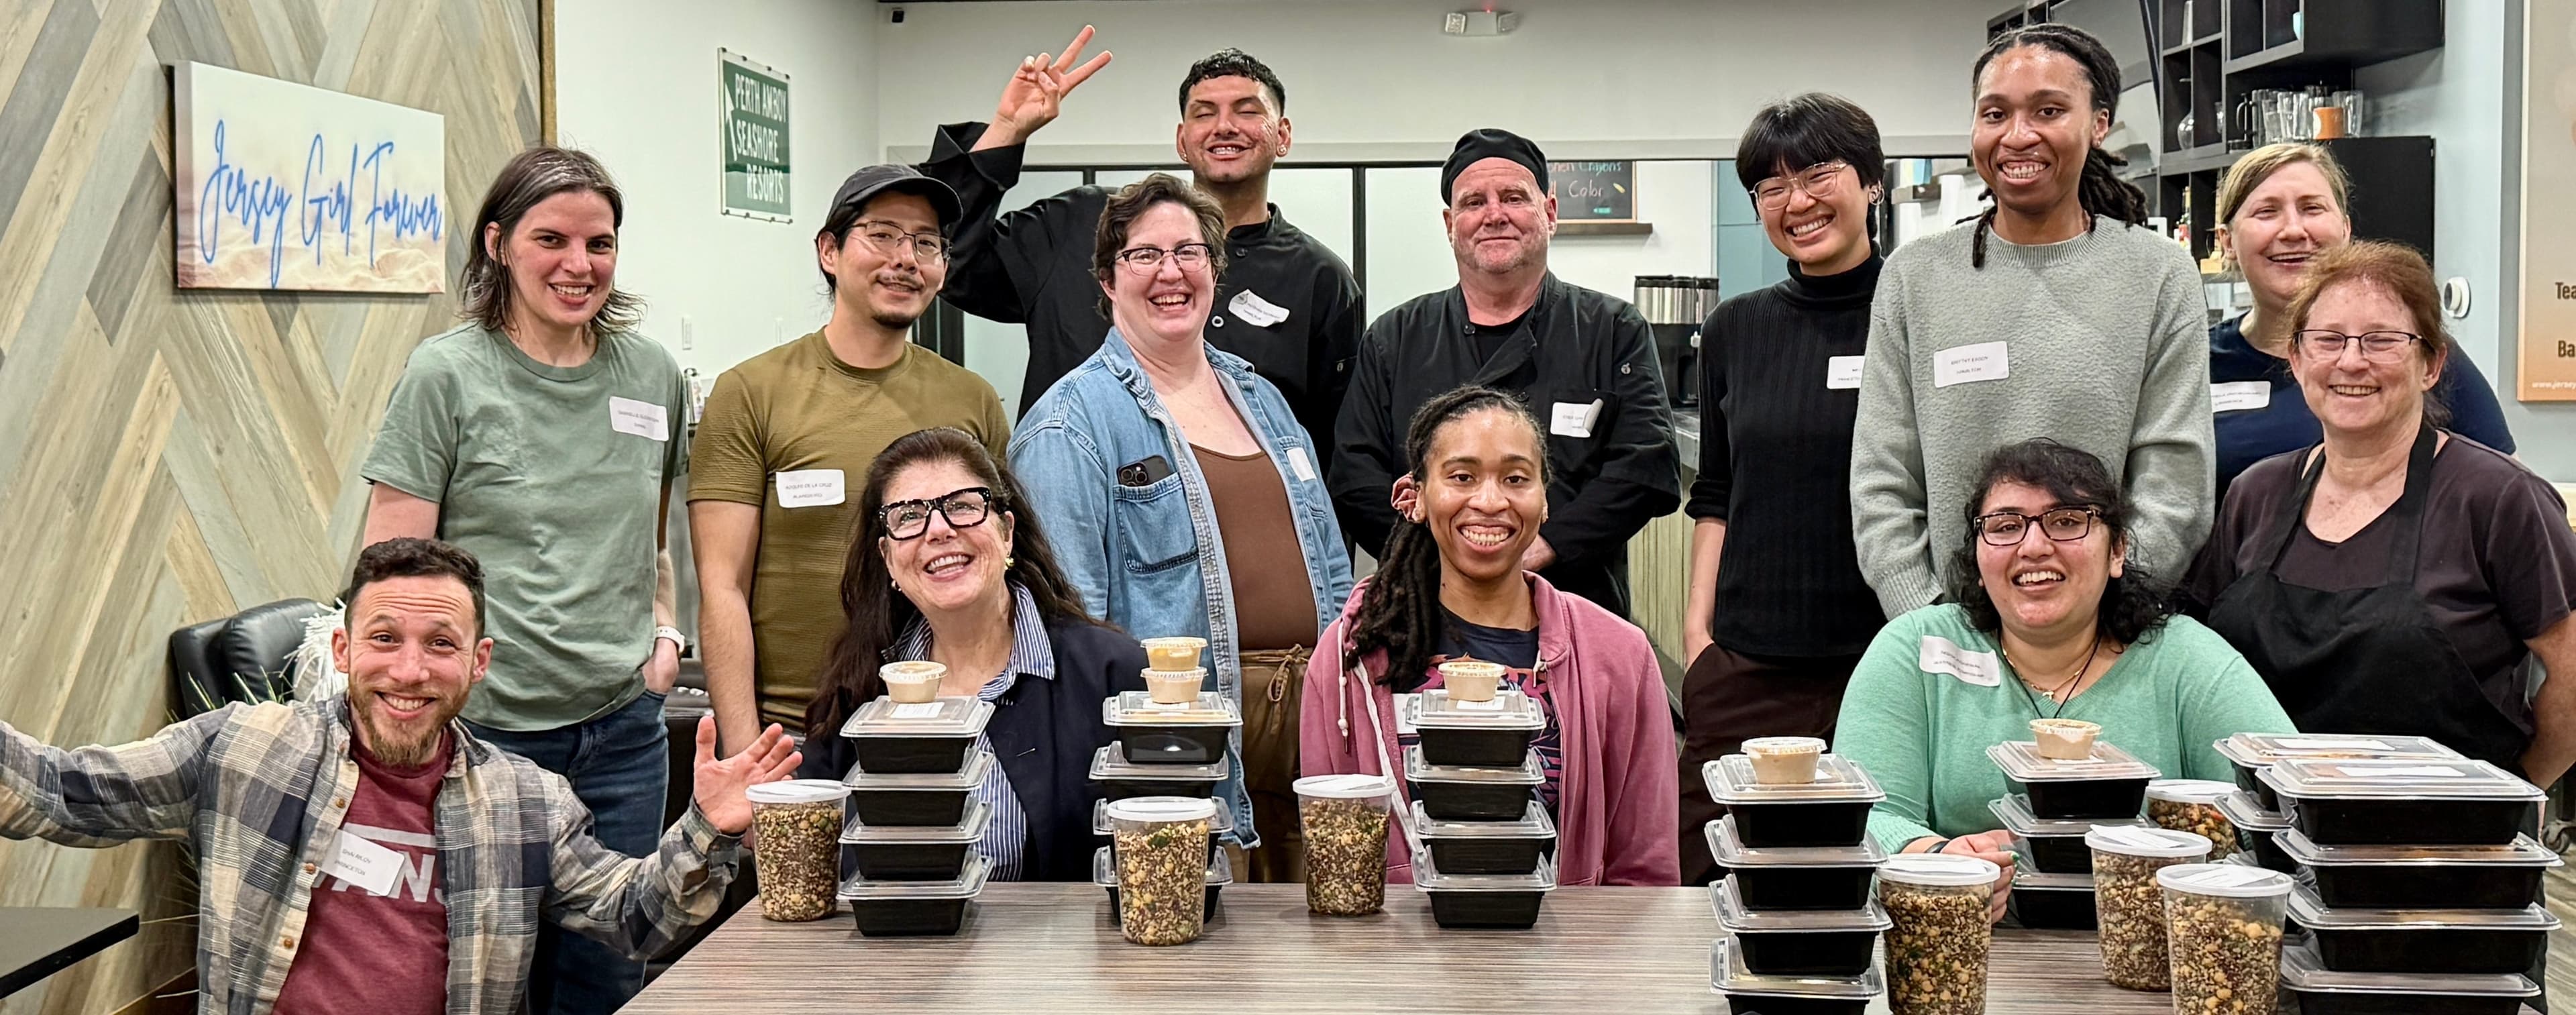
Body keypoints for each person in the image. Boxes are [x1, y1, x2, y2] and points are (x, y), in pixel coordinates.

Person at [0, 538, 802, 1015]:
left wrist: (705, 827)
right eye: (384, 638)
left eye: (441, 645)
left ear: (478, 663)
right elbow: (59, 791)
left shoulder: (525, 802)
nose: (410, 671)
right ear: (344, 650)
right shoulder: (243, 748)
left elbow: (639, 921)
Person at [358, 146, 684, 1014]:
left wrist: (664, 634)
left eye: (600, 244)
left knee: (612, 973)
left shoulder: (650, 374)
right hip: (489, 740)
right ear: (499, 243)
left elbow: (657, 526)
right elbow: (389, 571)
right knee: (487, 976)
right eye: (553, 239)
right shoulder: (448, 375)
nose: (579, 266)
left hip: (624, 733)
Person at [1008, 174, 1354, 883]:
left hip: (1312, 737)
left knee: (1315, 963)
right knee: (1208, 966)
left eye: (1189, 252)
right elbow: (1069, 633)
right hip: (1183, 751)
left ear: (1216, 271)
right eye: (1144, 255)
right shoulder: (1068, 425)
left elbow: (1331, 562)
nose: (1171, 272)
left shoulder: (1264, 400)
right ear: (1108, 280)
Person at [1835, 440, 2294, 918]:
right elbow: (1860, 819)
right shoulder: (1915, 648)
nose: (2033, 546)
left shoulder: (2186, 659)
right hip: (1966, 953)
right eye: (2006, 526)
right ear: (1978, 552)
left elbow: (2284, 816)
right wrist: (1933, 859)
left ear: (2118, 550)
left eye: (2067, 521)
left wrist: (2123, 851)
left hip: (2156, 953)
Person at [1849, 24, 2213, 619]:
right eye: (1995, 114)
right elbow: (1881, 482)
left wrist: (2091, 623)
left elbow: (2175, 487)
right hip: (1949, 636)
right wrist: (1931, 618)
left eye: (2048, 110)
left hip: (2107, 639)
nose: (2018, 136)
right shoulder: (1915, 278)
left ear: (2099, 124)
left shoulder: (2158, 274)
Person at [2189, 242, 2576, 787]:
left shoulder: (2498, 498)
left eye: (2382, 340)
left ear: (2432, 363)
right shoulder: (2256, 494)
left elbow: (2572, 670)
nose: (2351, 360)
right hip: (2272, 842)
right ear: (2297, 360)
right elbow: (2203, 657)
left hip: (2445, 851)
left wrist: (2512, 795)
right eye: (2328, 339)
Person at [691, 164, 1012, 758]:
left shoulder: (973, 400)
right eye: (883, 235)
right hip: (792, 731)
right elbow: (722, 587)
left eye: (925, 243)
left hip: (943, 721)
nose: (906, 259)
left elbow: (995, 572)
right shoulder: (752, 392)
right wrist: (745, 755)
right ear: (830, 250)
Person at [924, 28, 1364, 460]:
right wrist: (1006, 130)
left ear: (1282, 135)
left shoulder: (1320, 278)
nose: (1225, 126)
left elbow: (1330, 450)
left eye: (1247, 111)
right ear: (1182, 140)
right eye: (1204, 112)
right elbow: (948, 260)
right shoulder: (1081, 224)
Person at [1303, 386, 1678, 887]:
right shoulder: (1350, 657)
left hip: (1563, 955)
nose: (1489, 500)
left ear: (1545, 500)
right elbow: (1335, 865)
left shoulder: (1619, 657)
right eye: (1462, 476)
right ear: (1413, 497)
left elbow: (1645, 870)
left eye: (1516, 478)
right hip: (1394, 956)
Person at [1676, 95, 1892, 886]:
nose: (1796, 201)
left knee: (1863, 882)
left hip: (1881, 661)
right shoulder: (1737, 327)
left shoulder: (1917, 312)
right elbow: (1717, 488)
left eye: (1818, 173)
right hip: (1747, 664)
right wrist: (1699, 635)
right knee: (1712, 878)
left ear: (1870, 181)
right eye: (1771, 186)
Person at [1333, 128, 1681, 619]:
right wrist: (1441, 557)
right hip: (1424, 610)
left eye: (1514, 197)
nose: (1494, 214)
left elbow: (1646, 467)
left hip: (1573, 606)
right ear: (1451, 224)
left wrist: (1542, 545)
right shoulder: (1395, 337)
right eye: (1474, 202)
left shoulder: (1612, 330)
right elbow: (1354, 476)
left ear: (1550, 213)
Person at [800, 428, 1146, 882]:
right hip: (892, 950)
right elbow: (812, 865)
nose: (939, 530)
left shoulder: (1111, 673)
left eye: (963, 506)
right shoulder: (856, 690)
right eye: (909, 516)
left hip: (1064, 949)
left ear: (1006, 531)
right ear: (888, 558)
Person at [2206, 144, 2515, 498]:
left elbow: (2508, 492)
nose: (2293, 230)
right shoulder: (2196, 363)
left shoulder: (2410, 351)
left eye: (2312, 208)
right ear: (2226, 241)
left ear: (2345, 229)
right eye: (2267, 212)